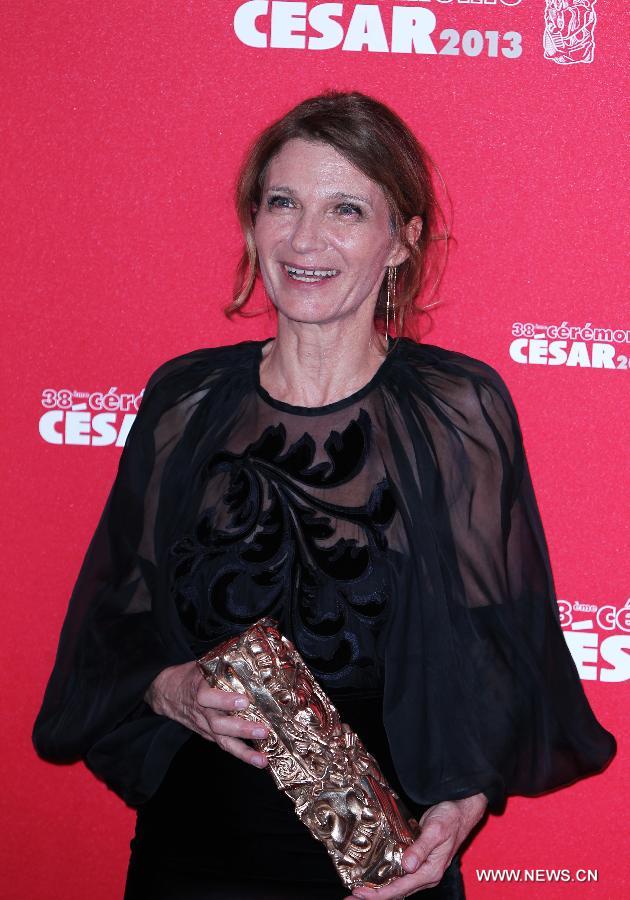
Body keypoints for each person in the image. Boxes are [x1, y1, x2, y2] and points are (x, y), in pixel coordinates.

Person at [33, 91, 615, 900]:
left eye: (346, 208)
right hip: (192, 854)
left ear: (402, 241)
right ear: (252, 224)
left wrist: (464, 803)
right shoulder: (187, 402)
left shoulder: (454, 409)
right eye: (283, 203)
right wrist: (172, 690)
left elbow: (501, 655)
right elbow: (112, 629)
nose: (306, 239)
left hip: (383, 865)